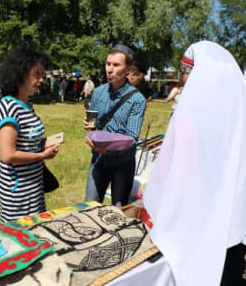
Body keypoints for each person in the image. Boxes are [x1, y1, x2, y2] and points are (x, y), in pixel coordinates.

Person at [144, 41, 246, 286]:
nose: (185, 79)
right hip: (231, 234)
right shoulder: (239, 119)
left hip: (189, 230)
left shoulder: (187, 120)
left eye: (188, 71)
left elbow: (173, 179)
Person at [0, 47, 60, 222]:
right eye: (36, 74)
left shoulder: (27, 103)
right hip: (18, 192)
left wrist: (44, 143)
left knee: (36, 230)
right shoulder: (9, 106)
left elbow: (27, 140)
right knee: (20, 236)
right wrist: (41, 155)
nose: (41, 79)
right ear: (20, 73)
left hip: (34, 186)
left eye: (42, 74)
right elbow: (8, 155)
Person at [83, 44, 146, 206]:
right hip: (99, 159)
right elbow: (95, 125)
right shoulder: (99, 92)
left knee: (118, 213)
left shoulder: (137, 100)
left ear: (128, 70)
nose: (109, 69)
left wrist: (108, 146)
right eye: (107, 63)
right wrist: (90, 130)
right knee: (89, 207)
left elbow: (131, 137)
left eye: (116, 65)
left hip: (122, 164)